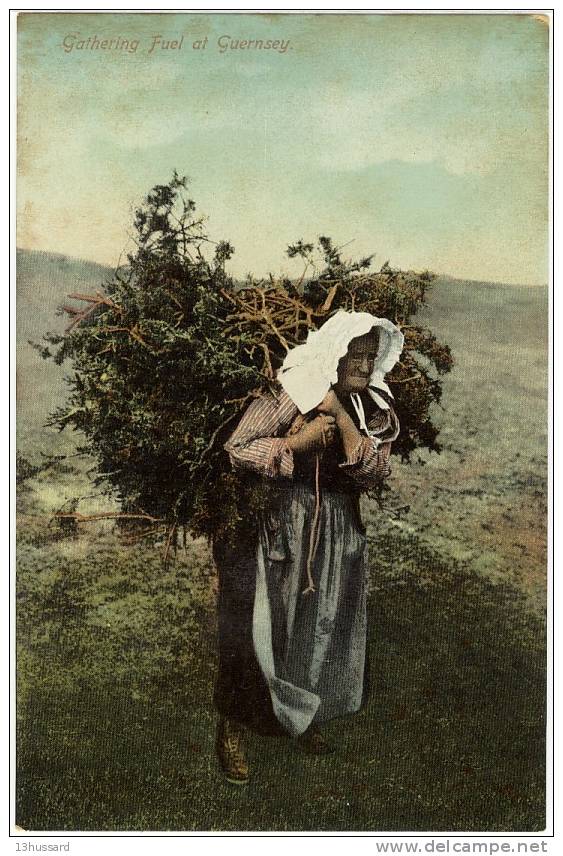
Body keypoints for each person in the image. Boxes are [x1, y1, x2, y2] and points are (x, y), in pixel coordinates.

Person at [212, 310, 403, 784]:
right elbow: (237, 448)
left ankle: (300, 715)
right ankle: (233, 726)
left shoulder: (371, 406)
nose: (364, 362)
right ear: (333, 355)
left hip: (337, 531)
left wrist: (339, 416)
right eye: (355, 353)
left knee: (318, 624)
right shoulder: (292, 390)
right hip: (282, 524)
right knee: (262, 625)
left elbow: (374, 470)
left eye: (370, 354)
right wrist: (297, 444)